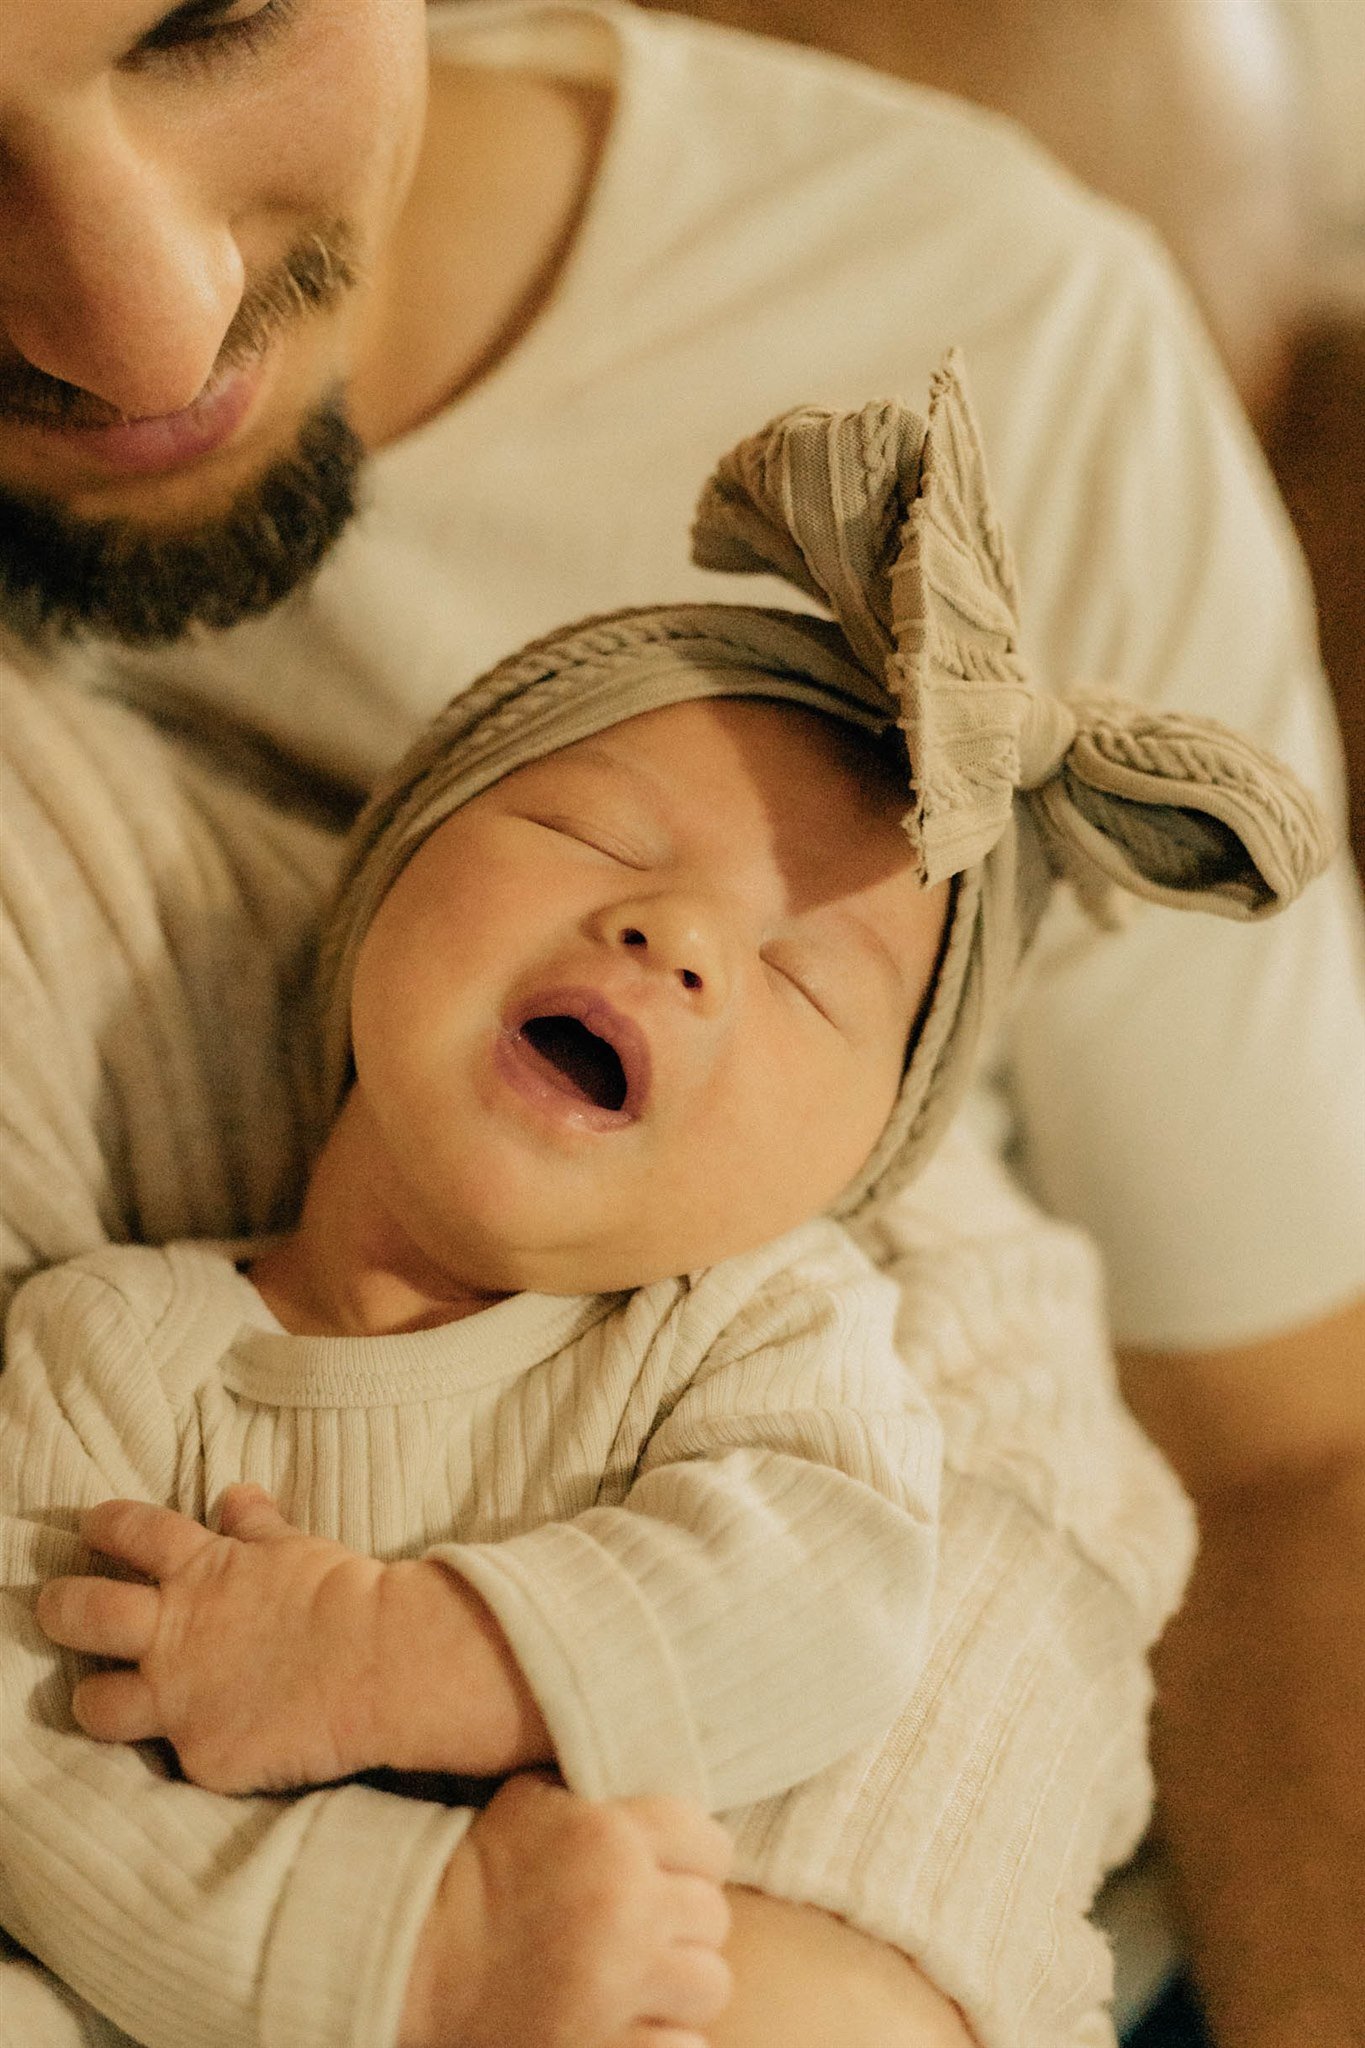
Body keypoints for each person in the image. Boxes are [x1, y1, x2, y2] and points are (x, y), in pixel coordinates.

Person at [1, 3, 1363, 2044]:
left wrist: (816, 1970)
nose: (141, 317)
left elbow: (1280, 1469)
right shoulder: (108, 1352)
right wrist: (404, 1941)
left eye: (214, 22)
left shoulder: (993, 329)